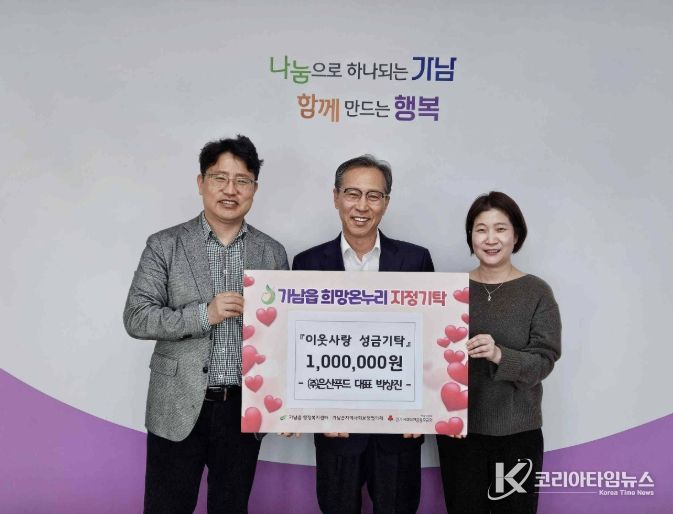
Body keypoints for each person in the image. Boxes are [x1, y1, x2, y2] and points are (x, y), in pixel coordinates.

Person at [123, 135, 288, 514]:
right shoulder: (164, 244)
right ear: (201, 183)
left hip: (243, 408)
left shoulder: (271, 252)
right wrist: (204, 314)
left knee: (231, 507)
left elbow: (282, 336)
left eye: (242, 180)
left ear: (254, 188)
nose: (231, 190)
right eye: (220, 178)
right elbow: (136, 316)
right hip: (177, 403)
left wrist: (286, 404)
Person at [292, 155, 434, 514]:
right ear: (336, 197)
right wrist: (311, 413)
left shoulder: (416, 260)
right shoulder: (307, 264)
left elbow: (430, 342)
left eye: (374, 195)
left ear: (386, 202)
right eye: (352, 193)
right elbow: (298, 346)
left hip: (399, 428)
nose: (362, 205)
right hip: (335, 427)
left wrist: (424, 411)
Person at [437, 191, 561, 513]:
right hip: (459, 434)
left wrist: (498, 355)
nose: (490, 239)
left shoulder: (537, 291)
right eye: (481, 229)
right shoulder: (448, 290)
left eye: (501, 229)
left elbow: (543, 362)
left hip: (517, 434)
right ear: (471, 236)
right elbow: (429, 358)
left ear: (516, 235)